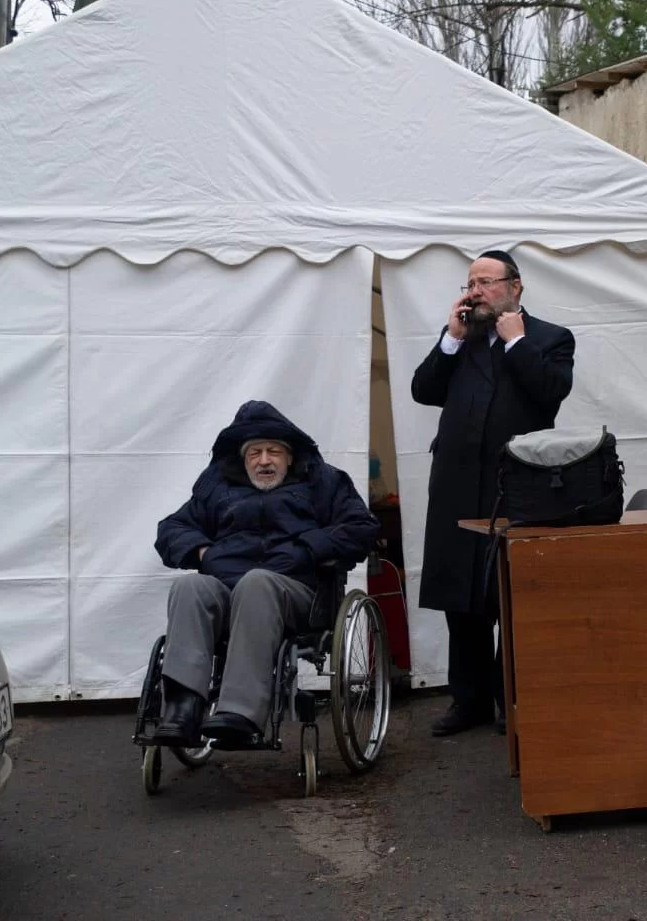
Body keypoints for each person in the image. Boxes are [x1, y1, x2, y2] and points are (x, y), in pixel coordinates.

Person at [411, 250, 575, 736]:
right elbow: (424, 390)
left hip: (519, 486)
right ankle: (470, 701)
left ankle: (513, 700)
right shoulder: (462, 340)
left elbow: (551, 393)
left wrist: (518, 343)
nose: (474, 291)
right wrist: (450, 341)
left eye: (485, 282)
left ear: (515, 287)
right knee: (461, 597)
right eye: (470, 283)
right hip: (458, 484)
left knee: (513, 595)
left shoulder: (549, 338)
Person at [152, 401, 379, 745]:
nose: (264, 460)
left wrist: (307, 548)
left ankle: (239, 713)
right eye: (255, 452)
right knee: (191, 587)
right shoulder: (218, 486)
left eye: (273, 451)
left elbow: (361, 527)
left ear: (289, 457)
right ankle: (182, 710)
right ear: (244, 459)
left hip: (299, 593)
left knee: (257, 583)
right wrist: (203, 551)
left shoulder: (323, 481)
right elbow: (172, 528)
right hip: (228, 589)